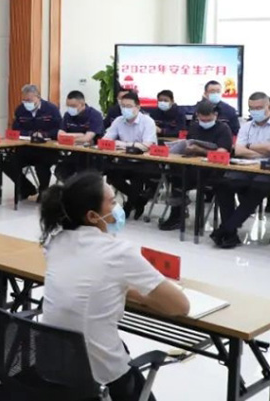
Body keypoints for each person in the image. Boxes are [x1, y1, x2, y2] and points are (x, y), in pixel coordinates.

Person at [39, 172, 189, 401]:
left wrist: (120, 289)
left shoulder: (55, 243)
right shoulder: (118, 252)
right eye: (112, 202)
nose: (117, 207)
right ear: (92, 216)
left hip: (53, 368)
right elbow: (180, 306)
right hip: (98, 377)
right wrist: (137, 294)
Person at [211, 93, 270, 249]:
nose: (255, 111)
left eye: (259, 108)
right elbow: (239, 150)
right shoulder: (247, 126)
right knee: (223, 185)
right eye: (252, 108)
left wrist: (250, 147)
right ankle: (230, 233)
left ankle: (226, 229)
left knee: (257, 187)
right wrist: (264, 151)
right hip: (247, 166)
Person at [159, 101, 235, 231]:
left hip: (213, 170)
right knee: (175, 173)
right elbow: (189, 143)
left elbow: (222, 153)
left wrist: (200, 150)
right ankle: (177, 214)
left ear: (215, 115)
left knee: (187, 176)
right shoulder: (194, 127)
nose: (205, 121)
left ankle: (187, 215)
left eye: (208, 119)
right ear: (197, 116)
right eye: (202, 119)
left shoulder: (223, 129)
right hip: (192, 165)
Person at [103, 91, 158, 218]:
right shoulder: (118, 120)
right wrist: (130, 145)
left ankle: (129, 205)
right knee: (111, 174)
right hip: (124, 160)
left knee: (137, 175)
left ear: (137, 107)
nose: (125, 109)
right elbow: (106, 140)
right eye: (123, 106)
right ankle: (138, 201)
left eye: (128, 106)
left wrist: (122, 144)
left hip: (144, 161)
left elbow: (147, 145)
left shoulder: (148, 121)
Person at [2, 84, 61, 202]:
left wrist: (44, 135)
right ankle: (26, 188)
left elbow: (59, 130)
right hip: (26, 149)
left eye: (29, 100)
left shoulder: (51, 109)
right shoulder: (20, 110)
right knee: (7, 163)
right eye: (24, 100)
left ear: (38, 97)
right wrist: (30, 134)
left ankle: (43, 191)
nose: (26, 103)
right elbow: (16, 130)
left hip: (46, 149)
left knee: (42, 165)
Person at [53, 90, 106, 183]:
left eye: (73, 106)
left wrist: (67, 137)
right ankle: (73, 189)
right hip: (74, 153)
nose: (70, 108)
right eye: (68, 106)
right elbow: (60, 136)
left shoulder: (95, 115)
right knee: (60, 171)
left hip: (91, 156)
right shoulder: (67, 115)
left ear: (82, 104)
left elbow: (87, 138)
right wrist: (80, 135)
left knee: (85, 177)